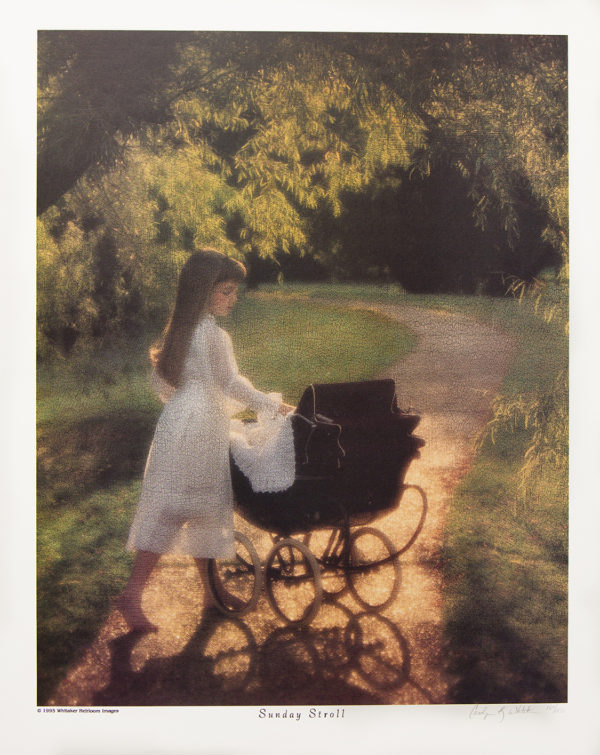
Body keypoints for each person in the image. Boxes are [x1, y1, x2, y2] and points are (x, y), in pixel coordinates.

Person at [114, 249, 294, 632]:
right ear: (204, 292)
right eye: (226, 291)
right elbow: (231, 383)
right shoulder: (212, 334)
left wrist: (190, 403)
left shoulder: (182, 331)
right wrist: (271, 406)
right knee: (178, 508)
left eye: (233, 292)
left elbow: (162, 385)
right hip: (196, 428)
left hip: (181, 422)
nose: (233, 299)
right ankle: (131, 595)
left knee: (203, 508)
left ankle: (211, 593)